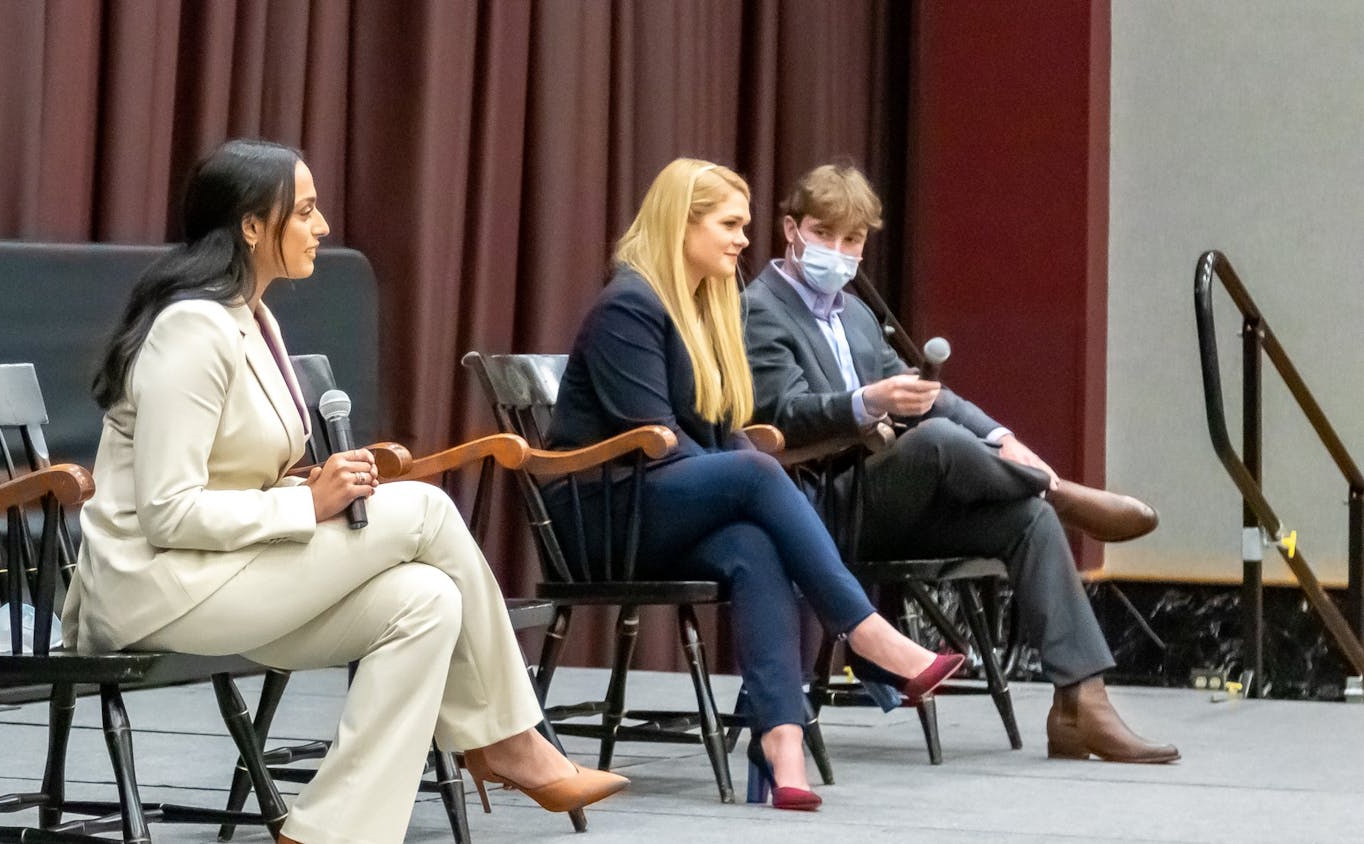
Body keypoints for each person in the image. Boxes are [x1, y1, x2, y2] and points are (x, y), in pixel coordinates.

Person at [60, 138, 627, 844]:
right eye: (304, 210)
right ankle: (508, 741)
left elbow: (228, 474)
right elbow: (169, 511)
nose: (322, 226)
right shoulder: (192, 328)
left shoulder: (253, 317)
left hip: (221, 572)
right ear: (250, 225)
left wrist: (305, 482)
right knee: (421, 507)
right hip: (155, 589)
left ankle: (327, 833)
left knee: (426, 600)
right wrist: (308, 502)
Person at [546, 157, 965, 811]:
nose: (745, 238)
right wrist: (743, 471)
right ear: (679, 224)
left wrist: (741, 471)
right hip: (605, 514)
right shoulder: (629, 305)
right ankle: (867, 633)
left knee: (755, 544)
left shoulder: (704, 311)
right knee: (755, 474)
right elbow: (653, 440)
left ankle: (781, 742)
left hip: (663, 504)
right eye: (730, 224)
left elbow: (715, 434)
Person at [741, 162, 1178, 764]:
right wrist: (867, 402)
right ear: (791, 229)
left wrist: (1003, 437)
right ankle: (1061, 492)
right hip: (815, 503)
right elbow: (779, 416)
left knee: (1024, 517)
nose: (838, 253)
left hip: (886, 498)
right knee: (933, 442)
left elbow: (931, 396)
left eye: (853, 241)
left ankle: (1081, 706)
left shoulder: (857, 313)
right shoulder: (759, 310)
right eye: (824, 235)